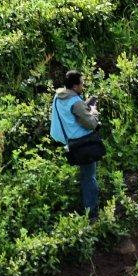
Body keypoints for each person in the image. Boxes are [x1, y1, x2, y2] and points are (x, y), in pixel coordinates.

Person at [49, 70, 103, 219]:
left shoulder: (58, 96)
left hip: (70, 141)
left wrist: (84, 105)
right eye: (81, 83)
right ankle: (92, 214)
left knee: (85, 175)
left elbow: (71, 113)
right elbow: (91, 123)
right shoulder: (76, 102)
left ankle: (86, 206)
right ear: (74, 86)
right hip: (83, 144)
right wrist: (93, 110)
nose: (83, 86)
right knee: (89, 178)